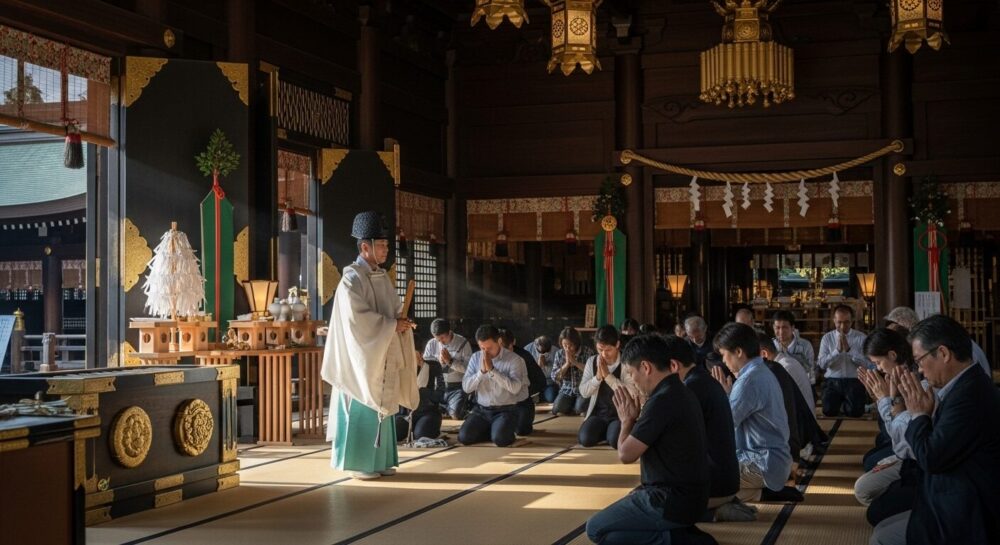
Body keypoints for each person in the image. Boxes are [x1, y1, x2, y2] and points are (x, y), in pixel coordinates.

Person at [870, 315, 1000, 545]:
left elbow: (930, 457)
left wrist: (919, 414)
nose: (919, 370)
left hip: (965, 509)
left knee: (881, 536)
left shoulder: (970, 397)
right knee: (881, 525)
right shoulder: (964, 385)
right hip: (945, 492)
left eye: (919, 360)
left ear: (943, 353)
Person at [585, 334, 713, 545]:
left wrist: (627, 420)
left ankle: (677, 539)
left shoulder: (662, 401)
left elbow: (626, 455)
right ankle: (680, 534)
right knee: (614, 535)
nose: (631, 380)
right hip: (694, 498)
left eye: (630, 373)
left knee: (596, 530)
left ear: (645, 367)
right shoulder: (680, 390)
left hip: (671, 500)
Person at [321, 211, 419, 480]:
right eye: (382, 245)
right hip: (360, 358)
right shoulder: (352, 279)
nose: (386, 249)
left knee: (382, 401)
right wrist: (389, 326)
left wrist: (400, 321)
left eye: (386, 245)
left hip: (381, 350)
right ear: (365, 247)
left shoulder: (381, 277)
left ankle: (381, 459)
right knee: (364, 396)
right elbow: (357, 320)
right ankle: (357, 463)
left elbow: (393, 309)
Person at [711, 323, 799, 505]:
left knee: (695, 478)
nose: (724, 361)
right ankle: (761, 494)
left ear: (738, 352)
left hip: (762, 463)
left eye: (724, 355)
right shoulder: (760, 371)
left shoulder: (749, 380)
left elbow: (724, 426)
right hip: (774, 460)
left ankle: (761, 492)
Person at [667, 335, 742, 522]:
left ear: (673, 365)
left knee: (649, 503)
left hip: (714, 484)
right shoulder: (702, 380)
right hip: (727, 478)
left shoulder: (691, 389)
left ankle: (710, 511)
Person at [855, 329, 921, 527]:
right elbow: (891, 433)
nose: (878, 368)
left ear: (893, 355)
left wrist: (884, 400)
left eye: (878, 363)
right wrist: (880, 398)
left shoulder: (913, 381)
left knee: (874, 511)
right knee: (864, 481)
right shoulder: (896, 377)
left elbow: (900, 439)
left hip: (914, 460)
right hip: (904, 451)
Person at [458, 324, 528, 447]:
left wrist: (492, 370)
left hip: (505, 410)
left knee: (500, 440)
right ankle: (492, 430)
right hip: (481, 410)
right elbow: (466, 387)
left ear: (499, 342)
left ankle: (498, 431)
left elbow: (515, 388)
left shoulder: (515, 359)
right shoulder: (475, 358)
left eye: (489, 348)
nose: (485, 352)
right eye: (482, 348)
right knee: (464, 437)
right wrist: (481, 373)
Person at [578, 325, 638, 448]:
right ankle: (605, 432)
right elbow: (583, 392)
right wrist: (598, 378)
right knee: (585, 439)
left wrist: (609, 377)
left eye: (608, 350)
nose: (604, 354)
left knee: (616, 440)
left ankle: (609, 433)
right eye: (600, 349)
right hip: (598, 413)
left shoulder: (626, 362)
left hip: (619, 415)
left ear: (617, 345)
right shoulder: (592, 361)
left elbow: (633, 392)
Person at [816, 305, 869, 417]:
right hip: (832, 380)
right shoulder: (827, 338)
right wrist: (837, 351)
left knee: (855, 413)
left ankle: (844, 404)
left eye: (846, 322)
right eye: (839, 322)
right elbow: (822, 364)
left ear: (852, 321)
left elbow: (868, 364)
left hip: (854, 380)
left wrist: (850, 350)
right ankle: (841, 403)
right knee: (828, 411)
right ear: (834, 320)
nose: (842, 326)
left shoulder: (861, 338)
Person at [422, 318, 473, 420]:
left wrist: (450, 361)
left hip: (457, 387)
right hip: (438, 387)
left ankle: (448, 407)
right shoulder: (431, 344)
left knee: (456, 414)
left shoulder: (463, 343)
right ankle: (444, 407)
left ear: (449, 332)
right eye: (437, 339)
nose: (440, 341)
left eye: (443, 338)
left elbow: (469, 369)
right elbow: (425, 368)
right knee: (423, 407)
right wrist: (438, 364)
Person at [499, 328, 542, 437]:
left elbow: (540, 381)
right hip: (498, 402)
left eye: (504, 347)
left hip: (521, 401)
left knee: (522, 430)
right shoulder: (490, 356)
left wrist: (522, 391)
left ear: (512, 344)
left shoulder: (524, 357)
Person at [396, 350, 443, 442]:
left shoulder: (434, 367)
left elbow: (440, 395)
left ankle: (422, 428)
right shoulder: (402, 368)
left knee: (421, 436)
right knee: (393, 434)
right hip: (406, 414)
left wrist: (422, 390)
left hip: (428, 412)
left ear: (421, 354)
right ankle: (412, 429)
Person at [551, 327, 594, 416]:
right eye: (564, 344)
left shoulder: (587, 351)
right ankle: (571, 405)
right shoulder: (559, 354)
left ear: (576, 343)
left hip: (583, 389)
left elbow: (593, 373)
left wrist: (575, 363)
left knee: (581, 410)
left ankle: (575, 406)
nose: (567, 348)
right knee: (557, 410)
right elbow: (555, 377)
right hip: (566, 389)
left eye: (570, 345)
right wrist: (567, 364)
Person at [772, 310, 816, 385]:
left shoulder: (805, 345)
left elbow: (811, 371)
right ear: (773, 327)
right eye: (777, 328)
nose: (781, 332)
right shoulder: (771, 345)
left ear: (792, 328)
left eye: (785, 327)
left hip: (801, 385)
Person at [524, 335, 558, 403]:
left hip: (548, 383)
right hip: (533, 382)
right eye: (540, 352)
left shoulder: (556, 351)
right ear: (535, 346)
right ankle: (537, 396)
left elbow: (556, 373)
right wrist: (537, 366)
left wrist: (546, 365)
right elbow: (524, 369)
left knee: (551, 398)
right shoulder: (527, 349)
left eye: (546, 352)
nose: (543, 354)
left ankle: (539, 397)